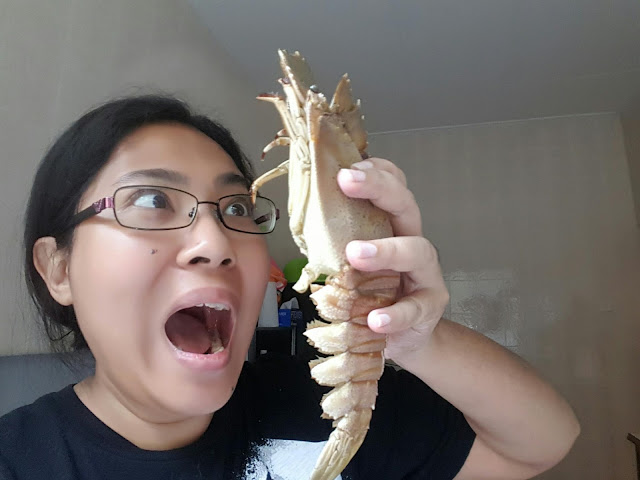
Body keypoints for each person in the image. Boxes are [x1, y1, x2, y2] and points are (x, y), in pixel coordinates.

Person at [0, 95, 579, 480]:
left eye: (236, 207)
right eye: (152, 200)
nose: (217, 240)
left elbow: (541, 443)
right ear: (58, 269)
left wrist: (414, 336)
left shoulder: (322, 409)